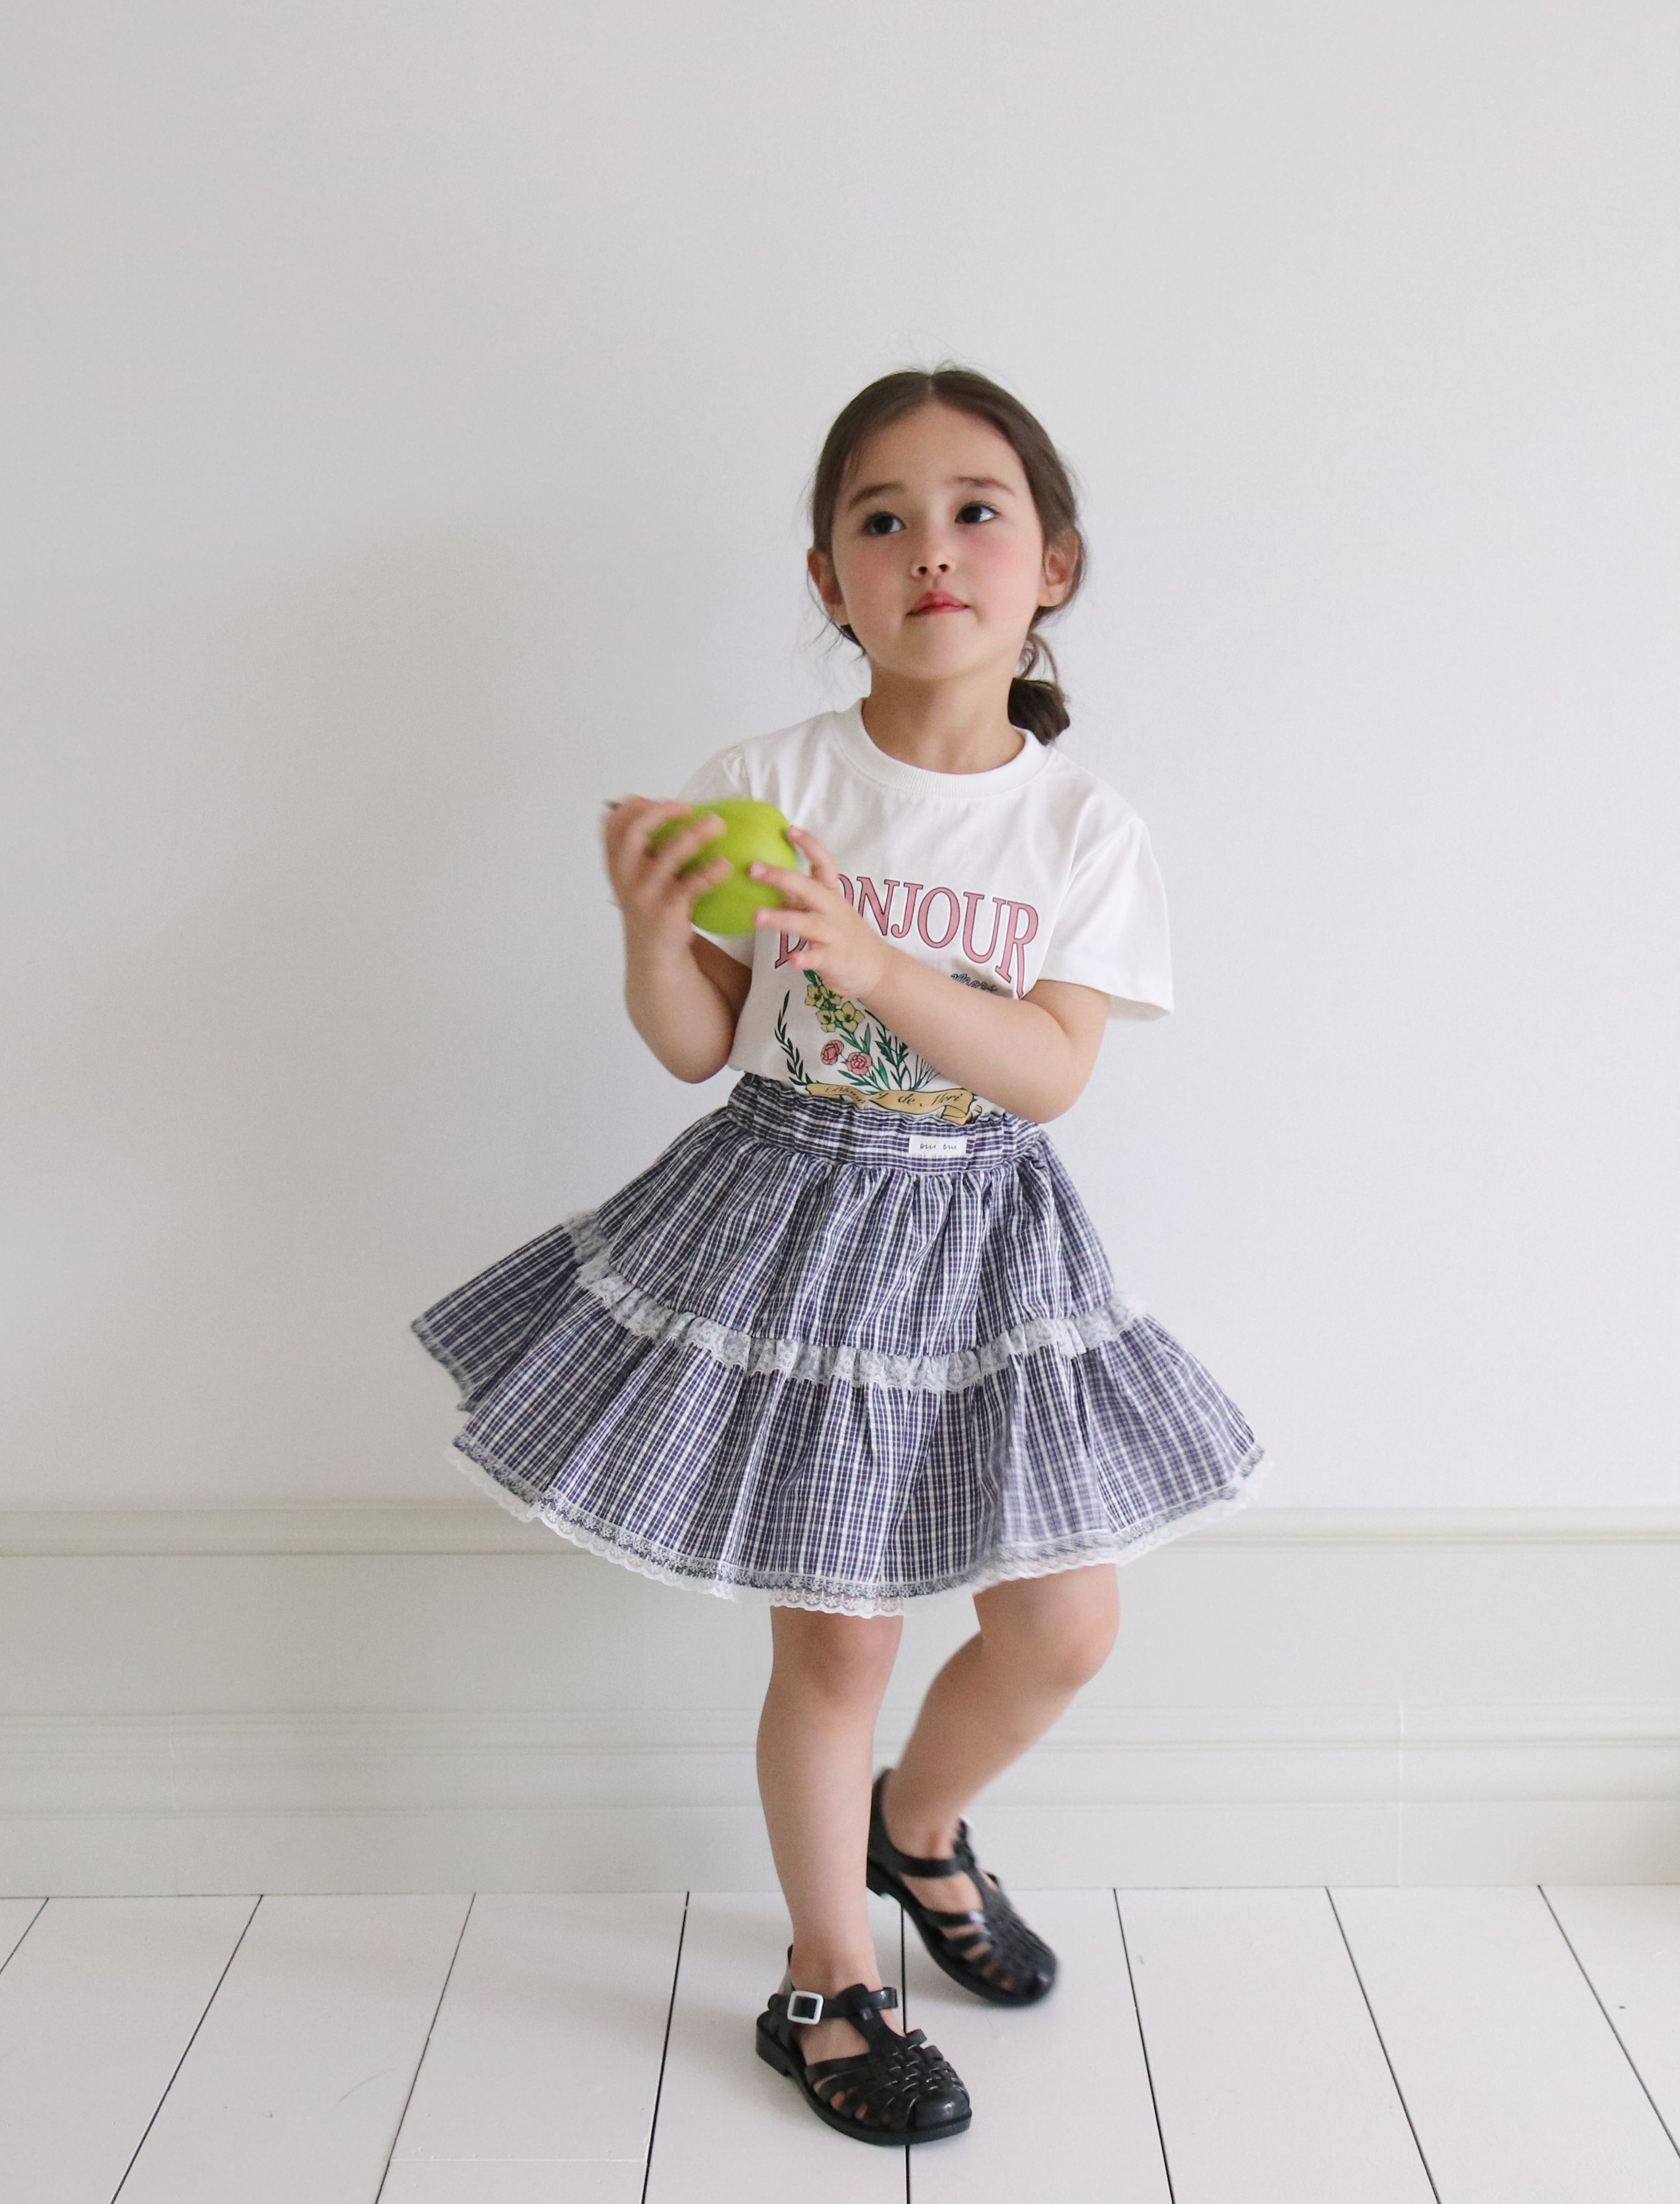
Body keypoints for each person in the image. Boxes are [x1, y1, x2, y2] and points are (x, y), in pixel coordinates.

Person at [410, 365, 1265, 2147]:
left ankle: (919, 1828)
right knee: (838, 1645)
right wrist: (651, 931)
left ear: (1053, 567)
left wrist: (876, 962)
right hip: (791, 1229)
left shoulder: (1081, 829)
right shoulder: (771, 782)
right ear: (830, 580)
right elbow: (698, 1042)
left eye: (977, 513)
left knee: (1063, 1624)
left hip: (988, 1242)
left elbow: (1048, 1071)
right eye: (883, 519)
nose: (930, 549)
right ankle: (830, 1979)